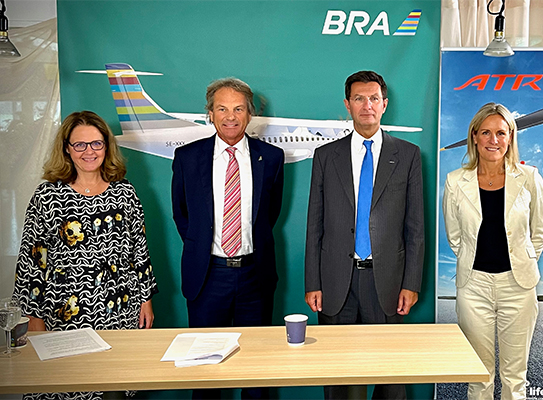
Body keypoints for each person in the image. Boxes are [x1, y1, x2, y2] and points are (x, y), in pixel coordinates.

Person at [13, 110, 158, 400]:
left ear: (107, 146)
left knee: (114, 388)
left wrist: (146, 299)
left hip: (119, 308)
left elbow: (139, 249)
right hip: (63, 311)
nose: (89, 151)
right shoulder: (47, 196)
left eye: (96, 143)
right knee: (68, 386)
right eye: (80, 144)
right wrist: (33, 316)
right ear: (67, 148)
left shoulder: (125, 193)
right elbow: (31, 262)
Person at [305, 70, 424, 400]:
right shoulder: (326, 156)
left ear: (384, 104)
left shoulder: (408, 155)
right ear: (347, 104)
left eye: (373, 98)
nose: (367, 105)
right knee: (338, 378)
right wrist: (313, 282)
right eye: (359, 98)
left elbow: (415, 228)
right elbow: (314, 224)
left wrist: (411, 284)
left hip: (386, 282)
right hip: (335, 282)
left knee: (390, 379)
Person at [171, 78, 284, 399]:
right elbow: (182, 214)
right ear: (210, 113)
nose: (230, 116)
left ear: (250, 114)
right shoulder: (188, 157)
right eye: (222, 109)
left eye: (238, 109)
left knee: (256, 372)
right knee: (205, 374)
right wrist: (203, 249)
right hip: (207, 276)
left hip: (254, 275)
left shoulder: (271, 157)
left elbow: (269, 214)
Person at [442, 103, 543, 400]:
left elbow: (539, 232)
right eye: (486, 132)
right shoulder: (455, 181)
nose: (494, 140)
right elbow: (455, 236)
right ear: (474, 136)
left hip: (518, 286)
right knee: (479, 374)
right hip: (473, 287)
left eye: (501, 133)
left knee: (515, 377)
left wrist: (522, 262)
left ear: (510, 137)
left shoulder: (529, 177)